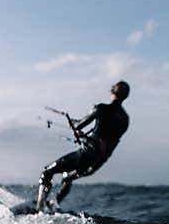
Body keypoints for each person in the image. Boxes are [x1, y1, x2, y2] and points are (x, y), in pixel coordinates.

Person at [36, 81, 130, 211]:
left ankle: (38, 209)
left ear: (112, 92)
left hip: (86, 154)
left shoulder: (101, 108)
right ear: (126, 96)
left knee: (47, 172)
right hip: (97, 162)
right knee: (67, 177)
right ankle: (53, 204)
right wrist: (85, 137)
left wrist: (74, 124)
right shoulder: (125, 119)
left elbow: (78, 125)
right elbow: (106, 140)